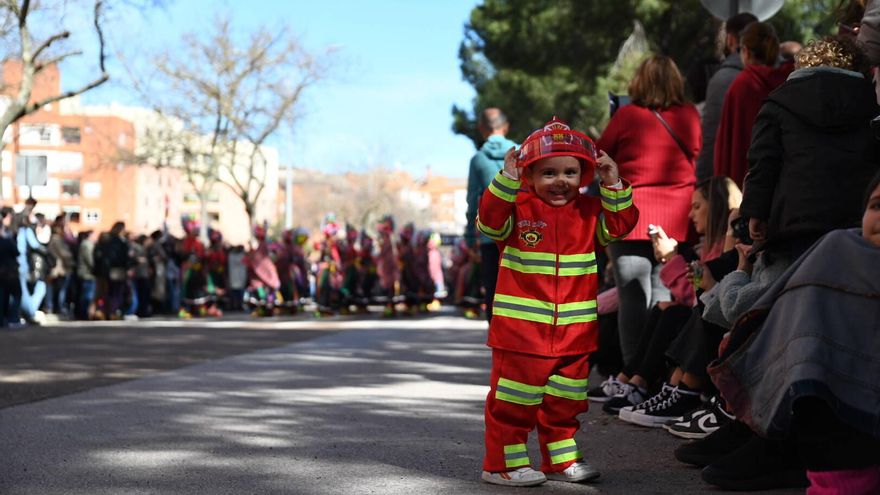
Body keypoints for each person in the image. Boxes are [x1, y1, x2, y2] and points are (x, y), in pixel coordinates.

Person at [478, 117, 638, 487]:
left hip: (575, 333)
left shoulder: (590, 211)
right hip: (522, 336)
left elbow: (621, 225)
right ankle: (502, 463)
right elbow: (488, 221)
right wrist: (506, 179)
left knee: (565, 402)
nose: (560, 180)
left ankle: (561, 458)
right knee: (515, 402)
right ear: (529, 176)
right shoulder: (516, 208)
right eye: (548, 173)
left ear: (584, 174)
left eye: (570, 171)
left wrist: (612, 182)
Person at [709, 172, 880, 494]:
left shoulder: (828, 253)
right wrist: (739, 266)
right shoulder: (839, 251)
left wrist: (735, 271)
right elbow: (727, 307)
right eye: (877, 205)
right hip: (839, 429)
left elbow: (731, 306)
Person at [595, 55, 700, 376]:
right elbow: (699, 155)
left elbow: (599, 155)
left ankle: (632, 374)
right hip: (677, 219)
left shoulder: (627, 116)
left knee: (632, 299)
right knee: (664, 294)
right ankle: (657, 373)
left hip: (629, 217)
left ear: (638, 82)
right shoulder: (690, 115)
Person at [713, 21, 794, 188]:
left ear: (745, 52)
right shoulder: (792, 81)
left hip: (748, 183)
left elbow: (731, 146)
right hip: (786, 182)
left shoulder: (743, 85)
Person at [465, 108, 518, 322]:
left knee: (494, 293)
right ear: (506, 127)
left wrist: (470, 238)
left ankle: (498, 346)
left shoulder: (478, 159)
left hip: (491, 236)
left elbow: (471, 202)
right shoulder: (521, 152)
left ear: (480, 129)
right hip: (523, 233)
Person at [695, 12, 758, 181]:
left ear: (730, 39)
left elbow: (711, 138)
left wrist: (703, 183)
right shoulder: (781, 75)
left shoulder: (723, 80)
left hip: (732, 181)